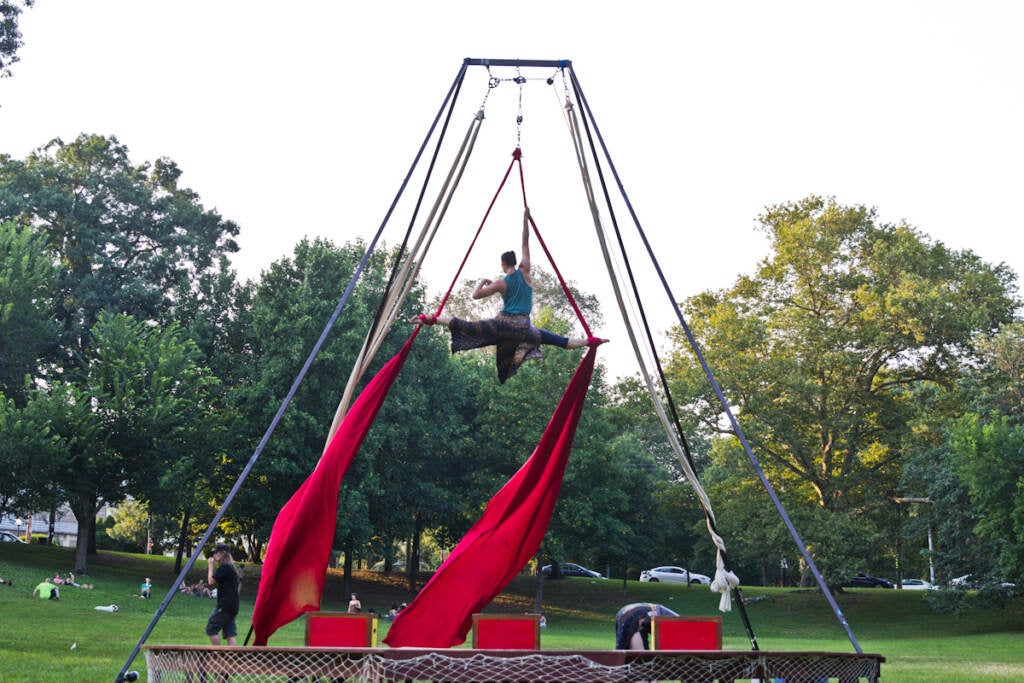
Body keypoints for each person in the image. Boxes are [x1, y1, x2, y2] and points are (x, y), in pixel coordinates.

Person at [419, 207, 606, 383]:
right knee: (558, 340)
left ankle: (429, 318)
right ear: (515, 262)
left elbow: (475, 296)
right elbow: (525, 242)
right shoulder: (525, 271)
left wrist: (483, 282)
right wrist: (525, 219)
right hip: (524, 328)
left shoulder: (501, 283)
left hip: (502, 324)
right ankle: (590, 341)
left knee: (467, 326)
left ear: (502, 264)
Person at [205, 543, 240, 645]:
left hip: (225, 605)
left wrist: (210, 566)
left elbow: (211, 581)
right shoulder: (231, 567)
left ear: (223, 553)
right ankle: (231, 658)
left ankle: (218, 655)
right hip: (233, 605)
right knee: (229, 633)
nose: (214, 555)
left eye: (216, 552)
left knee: (211, 628)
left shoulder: (225, 567)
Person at [614, 602, 679, 650]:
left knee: (624, 650)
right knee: (639, 657)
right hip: (637, 614)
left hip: (625, 611)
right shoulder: (679, 624)